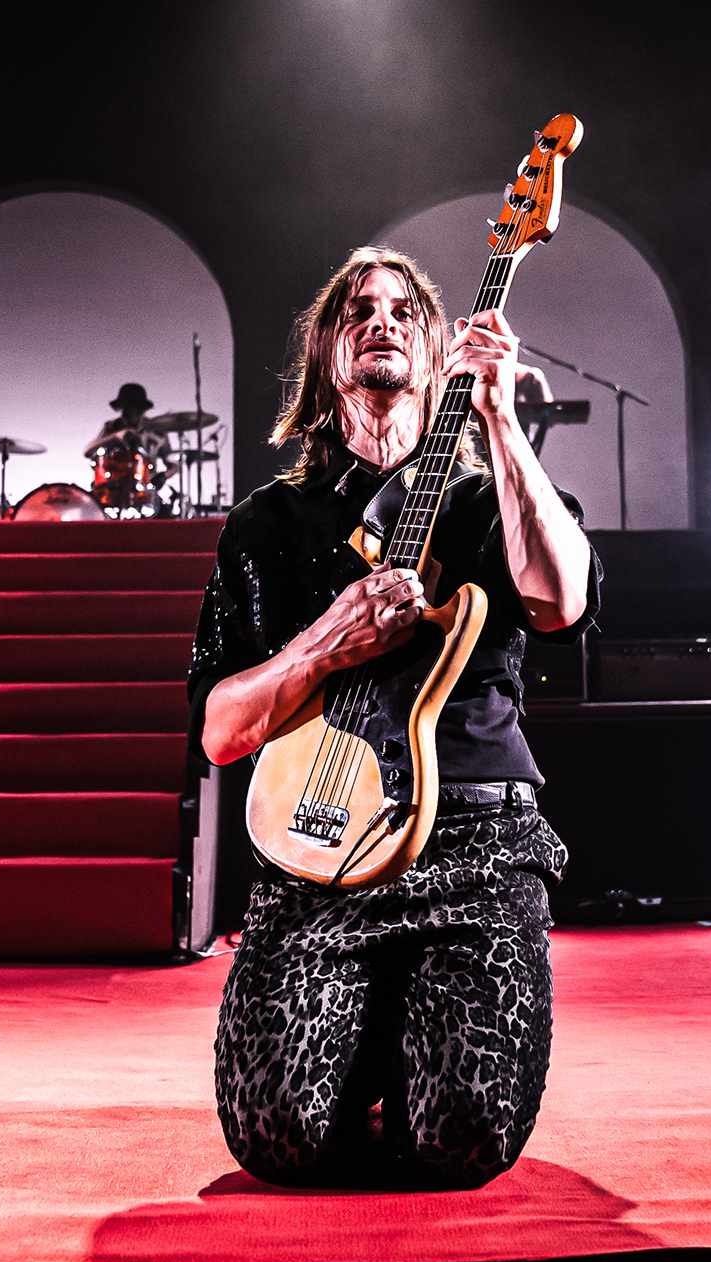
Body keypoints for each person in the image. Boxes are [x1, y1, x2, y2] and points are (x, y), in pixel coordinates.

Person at [189, 246, 599, 1190]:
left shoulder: (494, 498)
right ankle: (373, 1040)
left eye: (405, 310)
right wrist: (321, 645)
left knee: (460, 1142)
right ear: (325, 354)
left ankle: (412, 1044)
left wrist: (500, 419)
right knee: (276, 1141)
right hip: (317, 856)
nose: (383, 321)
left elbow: (561, 603)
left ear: (437, 351)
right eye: (358, 310)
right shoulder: (265, 526)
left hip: (475, 846)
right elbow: (219, 731)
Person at [82, 382, 161, 460]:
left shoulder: (156, 429)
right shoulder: (111, 426)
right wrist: (114, 436)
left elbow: (168, 459)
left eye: (129, 414)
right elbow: (87, 452)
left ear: (141, 412)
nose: (126, 419)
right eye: (125, 413)